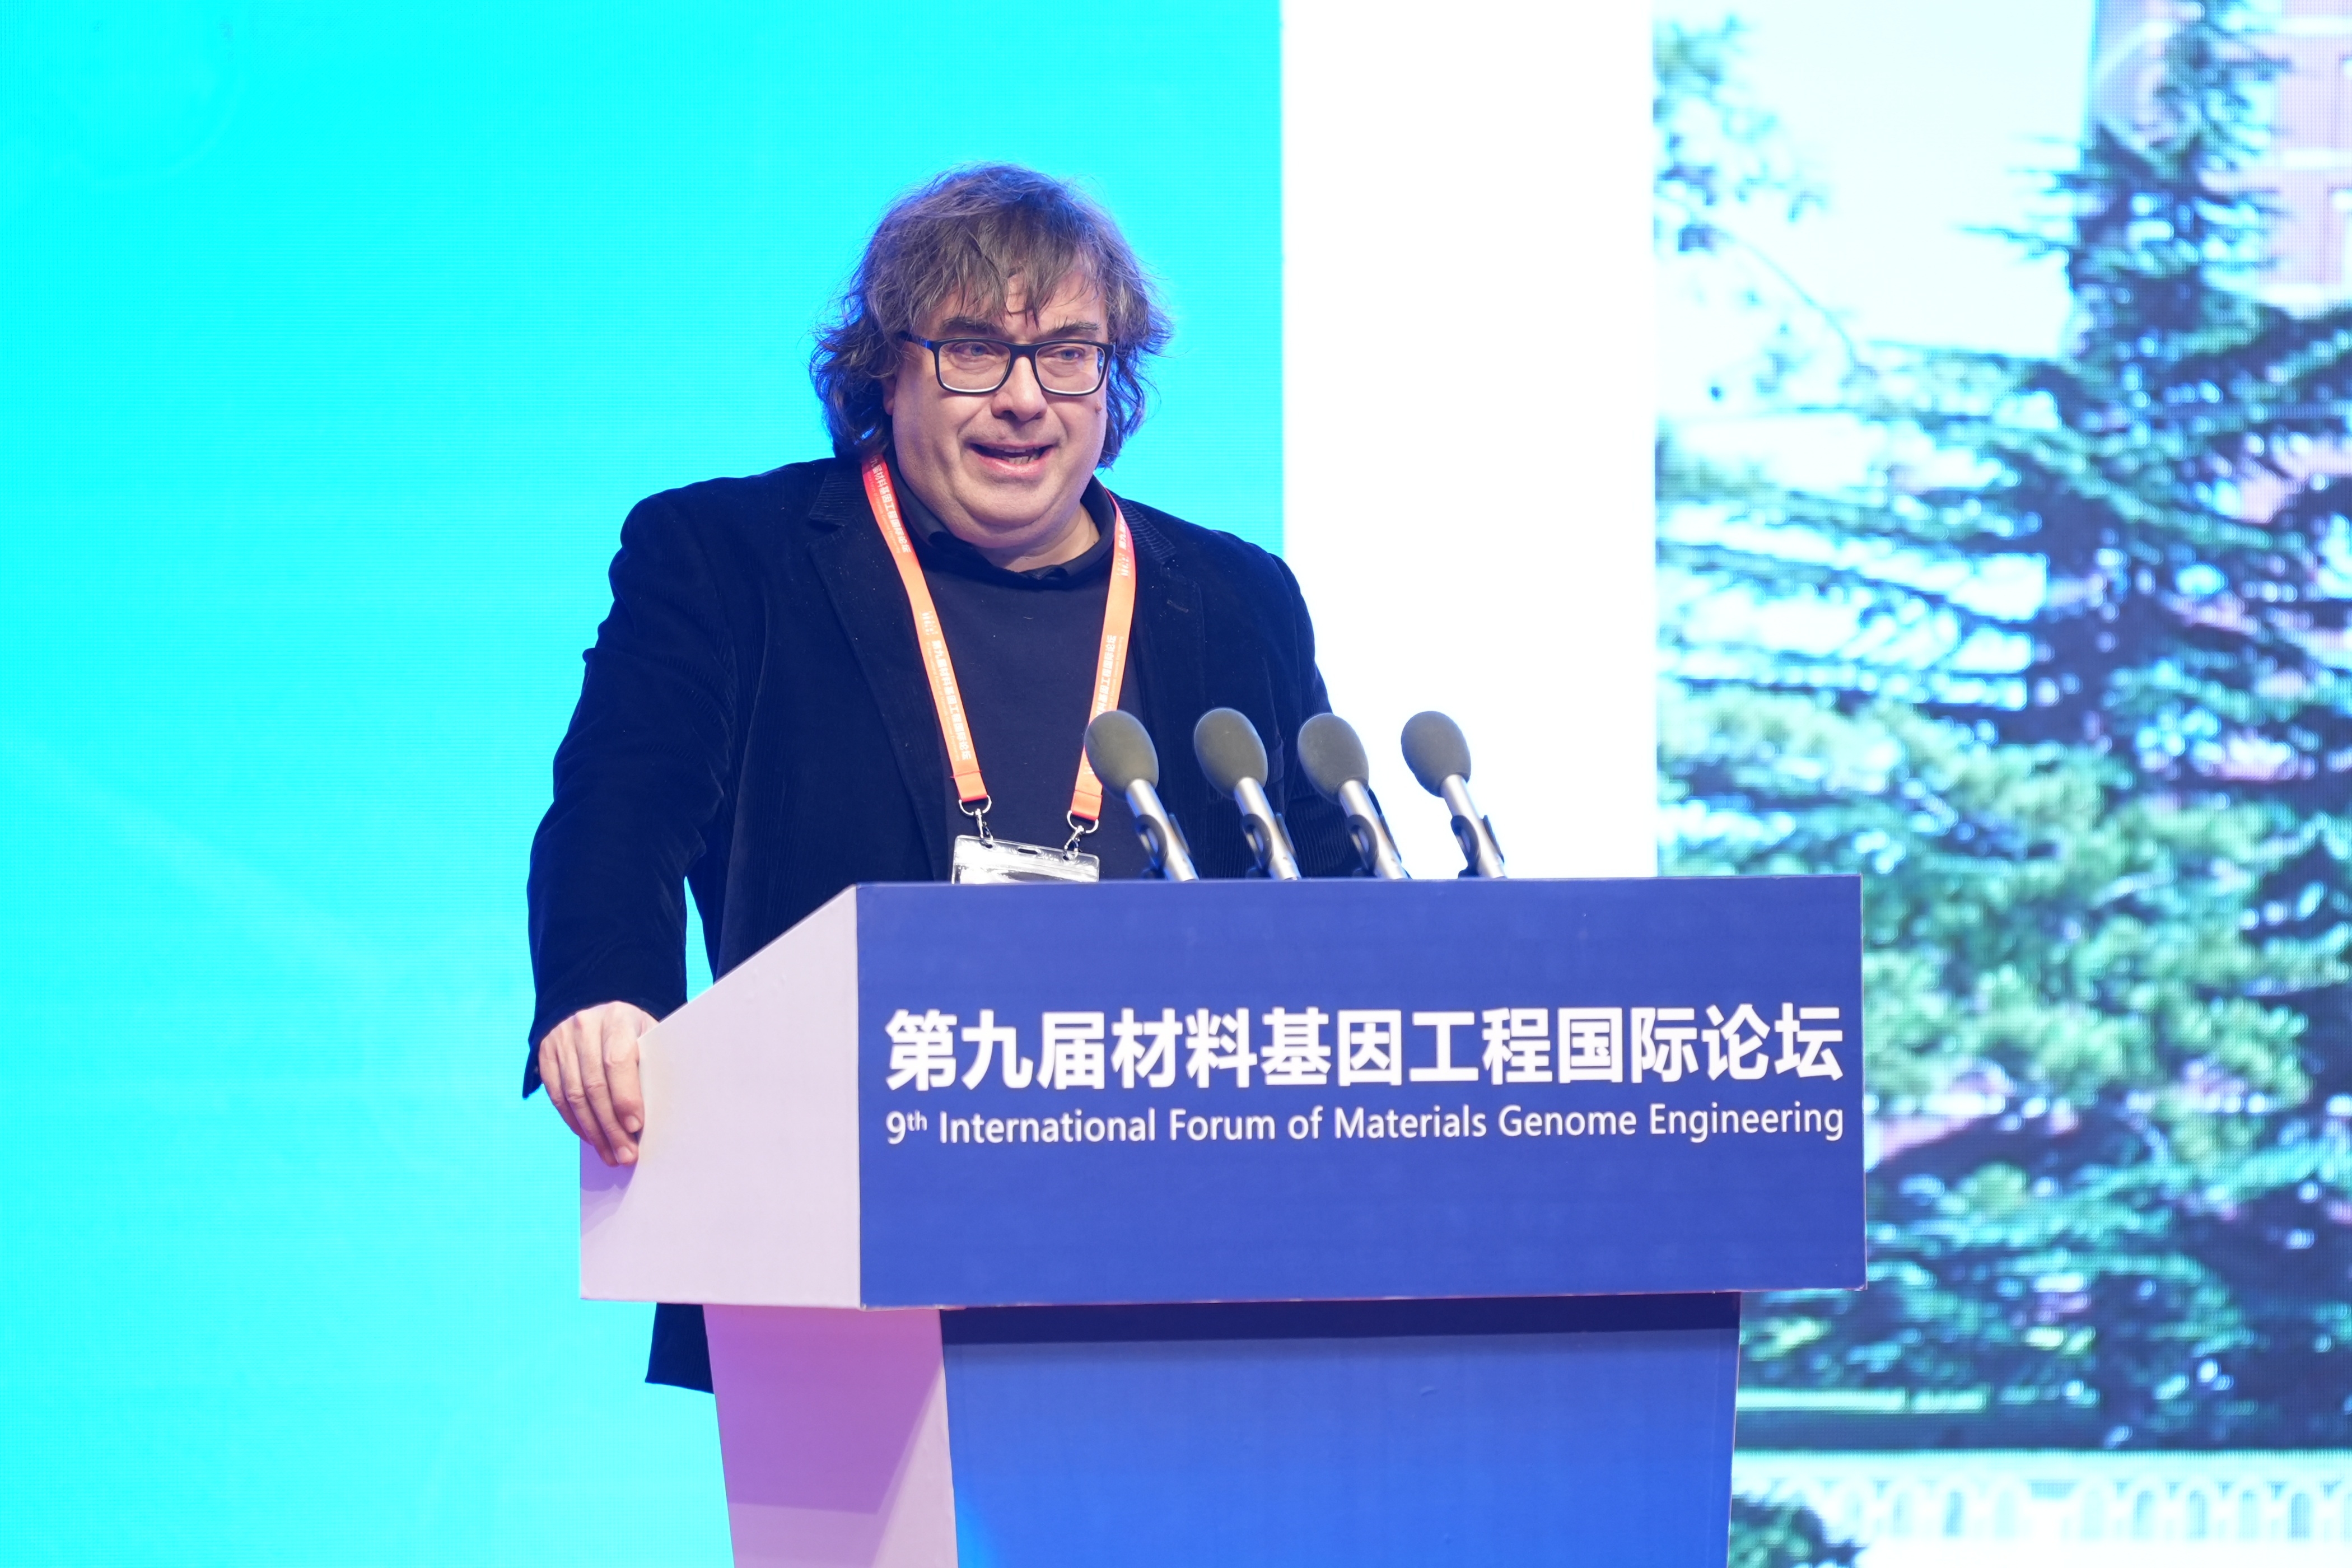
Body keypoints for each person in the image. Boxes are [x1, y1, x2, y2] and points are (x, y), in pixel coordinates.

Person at [524, 164, 1354, 1390]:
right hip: (841, 1227)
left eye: (1068, 354)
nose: (1024, 398)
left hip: (1189, 1246)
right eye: (974, 350)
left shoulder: (1236, 598)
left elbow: (1327, 887)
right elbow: (621, 802)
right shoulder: (731, 559)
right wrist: (606, 989)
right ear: (885, 370)